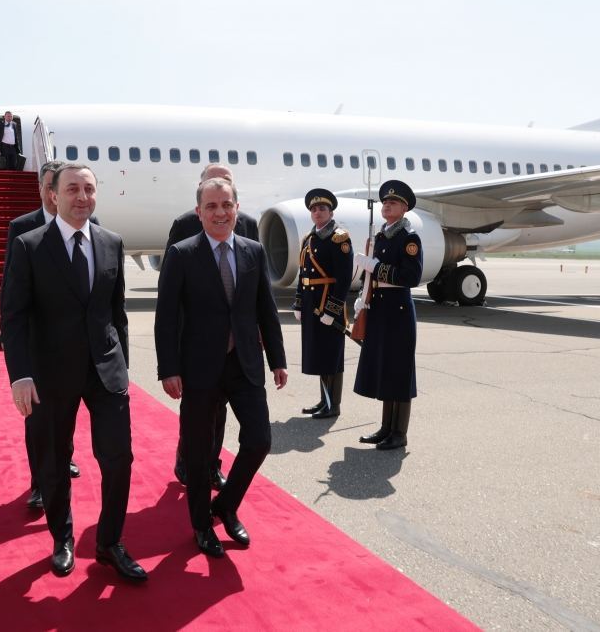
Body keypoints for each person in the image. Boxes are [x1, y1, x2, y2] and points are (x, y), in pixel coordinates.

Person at [1, 164, 147, 582]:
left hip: (106, 371)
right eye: (72, 189)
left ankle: (109, 542)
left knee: (118, 459)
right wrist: (20, 375)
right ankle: (62, 538)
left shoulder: (111, 242)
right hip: (49, 374)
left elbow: (116, 312)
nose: (82, 197)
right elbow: (13, 316)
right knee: (53, 462)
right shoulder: (29, 245)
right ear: (54, 195)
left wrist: (122, 367)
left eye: (89, 189)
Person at [155, 176, 288, 558]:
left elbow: (266, 310)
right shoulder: (182, 254)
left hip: (244, 364)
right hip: (198, 368)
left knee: (259, 440)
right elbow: (166, 317)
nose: (220, 212)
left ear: (237, 208)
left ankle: (226, 505)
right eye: (211, 206)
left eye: (226, 205)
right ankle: (201, 524)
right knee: (199, 453)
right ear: (199, 212)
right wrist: (168, 369)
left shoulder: (253, 251)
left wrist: (277, 360)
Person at [165, 163, 258, 491]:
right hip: (197, 338)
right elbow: (171, 290)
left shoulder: (248, 225)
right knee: (198, 409)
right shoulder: (185, 225)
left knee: (222, 409)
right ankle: (187, 458)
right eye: (212, 182)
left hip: (235, 341)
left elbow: (255, 285)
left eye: (226, 183)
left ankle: (212, 464)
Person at [2, 159, 82, 512]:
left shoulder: (89, 223)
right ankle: (38, 483)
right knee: (38, 421)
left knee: (68, 414)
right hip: (39, 345)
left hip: (76, 344)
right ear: (44, 190)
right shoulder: (22, 228)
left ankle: (64, 457)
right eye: (51, 186)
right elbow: (13, 290)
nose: (55, 194)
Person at [352, 180, 423, 450]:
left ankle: (399, 432)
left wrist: (377, 267)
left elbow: (411, 277)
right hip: (380, 309)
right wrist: (363, 297)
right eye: (385, 202)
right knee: (385, 369)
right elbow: (370, 274)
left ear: (404, 208)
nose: (386, 206)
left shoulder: (409, 238)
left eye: (393, 202)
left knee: (399, 371)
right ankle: (385, 428)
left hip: (398, 311)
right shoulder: (381, 236)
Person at [294, 188, 353, 418]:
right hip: (312, 305)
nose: (317, 212)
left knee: (331, 356)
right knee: (319, 354)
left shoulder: (339, 238)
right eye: (314, 209)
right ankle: (323, 401)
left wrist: (333, 309)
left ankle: (333, 405)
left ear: (331, 212)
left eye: (322, 209)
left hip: (327, 305)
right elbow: (303, 274)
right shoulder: (309, 239)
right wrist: (299, 303)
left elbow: (344, 279)